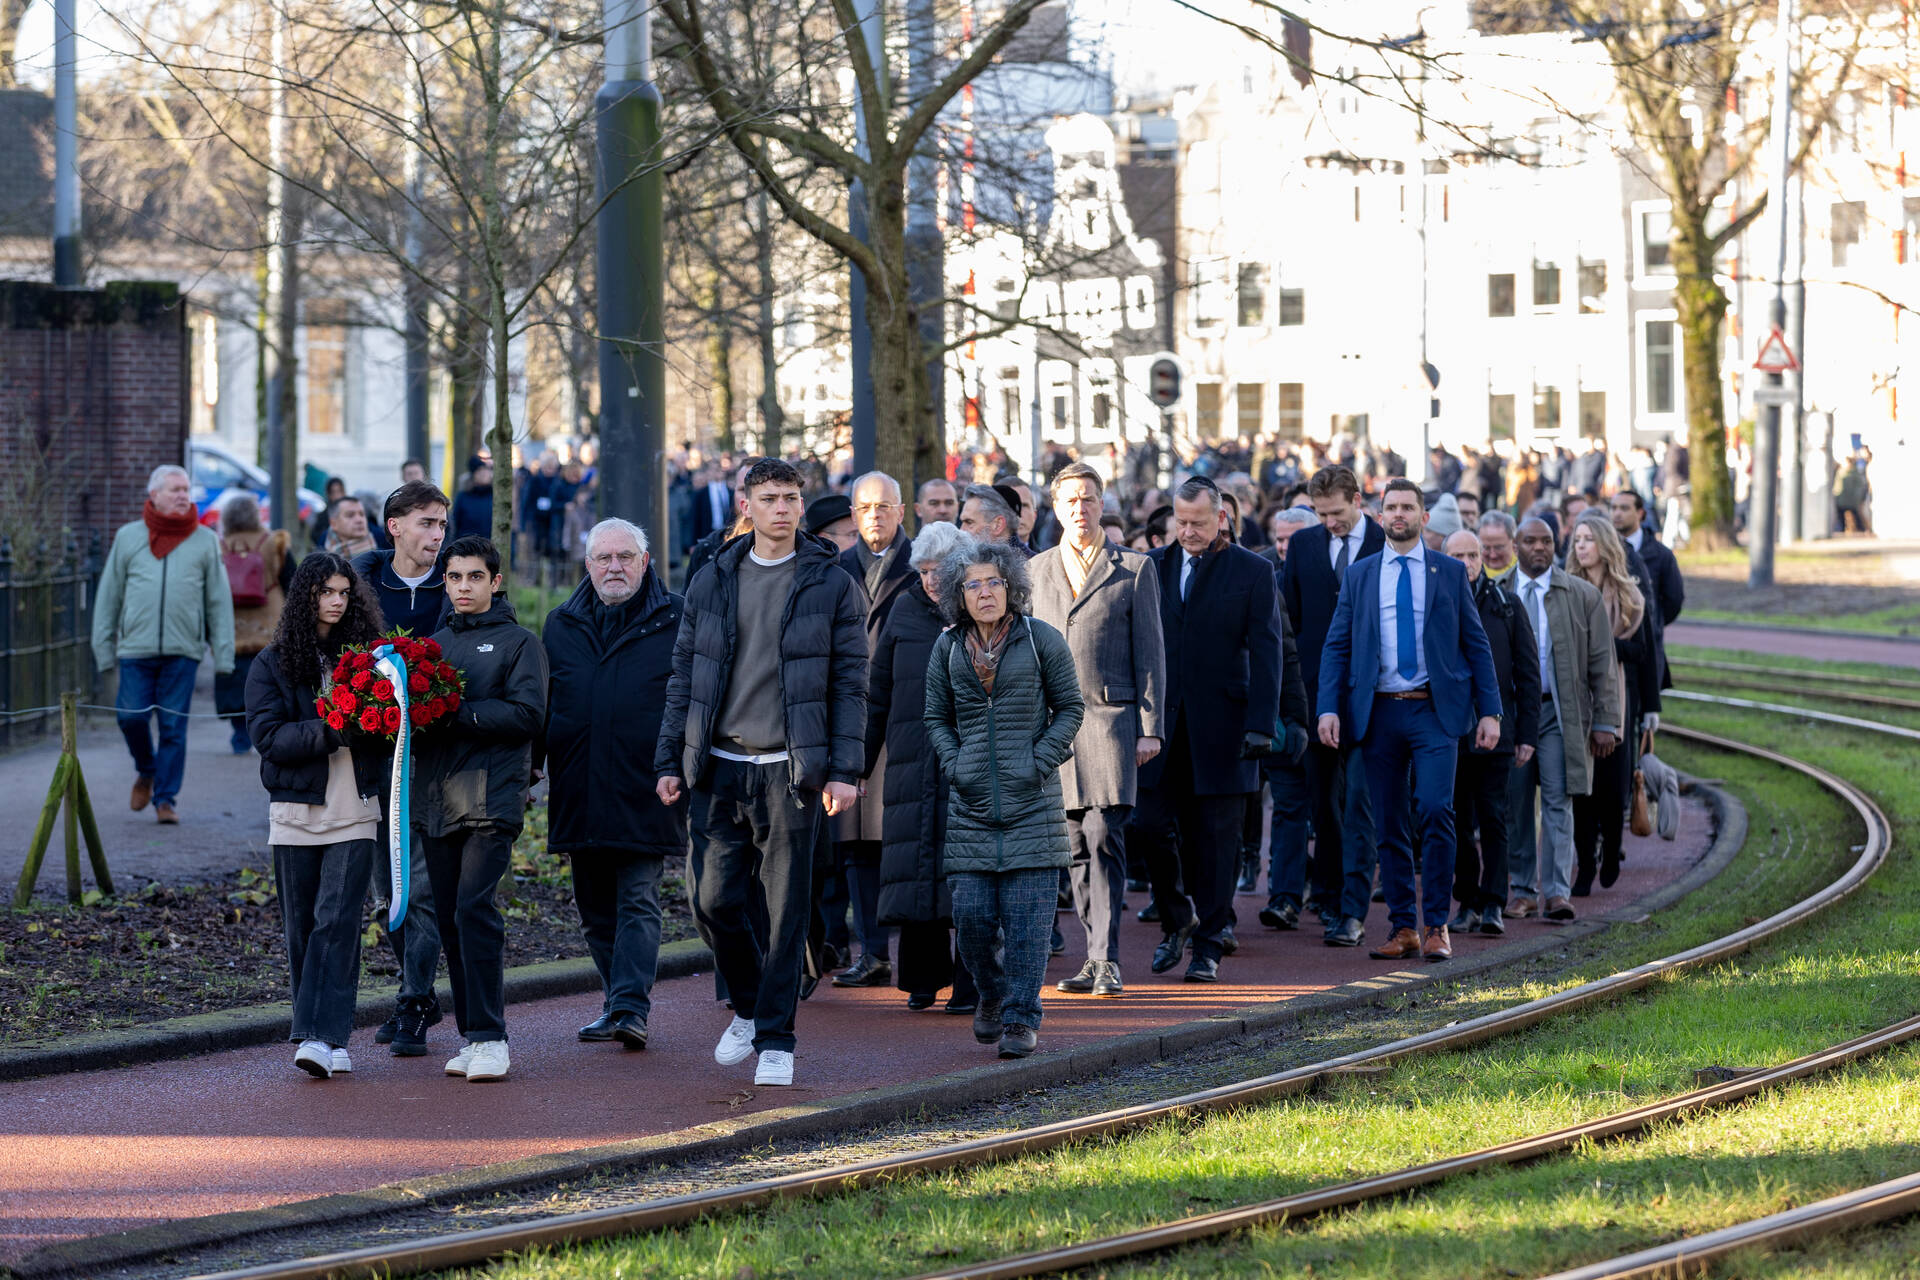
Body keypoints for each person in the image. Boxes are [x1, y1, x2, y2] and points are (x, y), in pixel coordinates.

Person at [654, 457, 868, 1089]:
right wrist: (670, 759)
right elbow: (685, 676)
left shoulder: (831, 583)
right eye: (770, 497)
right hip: (719, 767)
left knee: (785, 913)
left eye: (792, 497)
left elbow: (850, 685)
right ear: (745, 504)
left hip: (790, 772)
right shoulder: (713, 576)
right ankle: (749, 1006)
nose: (783, 508)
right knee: (711, 901)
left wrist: (844, 771)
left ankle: (778, 1038)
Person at [1315, 480, 1503, 962]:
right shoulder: (1360, 576)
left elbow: (1476, 644)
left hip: (1434, 711)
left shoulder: (1448, 572)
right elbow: (1337, 645)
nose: (1398, 514)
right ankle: (1403, 927)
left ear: (1424, 517)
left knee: (1437, 810)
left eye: (1407, 507)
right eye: (1391, 507)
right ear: (1379, 517)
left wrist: (1491, 711)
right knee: (1388, 822)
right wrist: (1328, 707)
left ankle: (1437, 924)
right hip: (1377, 712)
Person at [924, 541, 1084, 1057]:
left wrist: (1038, 762)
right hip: (971, 806)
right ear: (958, 595)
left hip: (1032, 806)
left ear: (1011, 587)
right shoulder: (947, 648)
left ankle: (1021, 1018)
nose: (985, 592)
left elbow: (1070, 708)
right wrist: (957, 764)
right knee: (970, 922)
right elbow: (936, 717)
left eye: (994, 581)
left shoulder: (1042, 641)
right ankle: (991, 995)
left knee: (1028, 928)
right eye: (973, 584)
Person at [540, 519, 687, 1050]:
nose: (614, 568)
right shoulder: (561, 624)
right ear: (588, 566)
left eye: (625, 557)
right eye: (603, 559)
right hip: (578, 784)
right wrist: (533, 764)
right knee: (594, 908)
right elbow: (546, 702)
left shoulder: (677, 618)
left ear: (646, 563)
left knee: (638, 898)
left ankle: (630, 1007)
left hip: (648, 783)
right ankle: (614, 1002)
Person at [245, 553, 388, 1078]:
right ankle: (328, 1032)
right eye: (325, 591)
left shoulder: (369, 658)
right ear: (305, 594)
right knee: (302, 927)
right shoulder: (273, 663)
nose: (335, 601)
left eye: (344, 592)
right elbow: (268, 737)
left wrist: (377, 723)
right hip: (295, 810)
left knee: (338, 920)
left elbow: (390, 728)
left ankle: (319, 1037)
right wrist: (333, 728)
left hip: (355, 807)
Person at [1029, 463, 1165, 999]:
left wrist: (1150, 727)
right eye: (1070, 501)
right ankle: (1092, 956)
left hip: (1112, 724)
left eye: (1088, 499)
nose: (1079, 509)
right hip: (1054, 729)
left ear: (1102, 502)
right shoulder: (1037, 570)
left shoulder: (1134, 568)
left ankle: (1107, 959)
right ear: (1055, 507)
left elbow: (1151, 653)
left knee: (1105, 835)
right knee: (1072, 846)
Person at [415, 536, 547, 1083]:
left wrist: (456, 713)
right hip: (435, 796)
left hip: (492, 795)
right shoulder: (431, 645)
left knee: (474, 909)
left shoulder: (520, 643)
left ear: (495, 582)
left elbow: (528, 714)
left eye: (474, 577)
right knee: (448, 918)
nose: (463, 586)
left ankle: (493, 1038)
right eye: (454, 577)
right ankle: (472, 1034)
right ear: (444, 582)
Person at [1144, 476, 1282, 982]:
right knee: (1148, 827)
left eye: (1197, 523)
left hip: (1225, 730)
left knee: (1217, 844)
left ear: (1220, 517)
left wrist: (1261, 726)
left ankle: (1207, 948)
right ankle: (1178, 919)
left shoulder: (1253, 570)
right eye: (1179, 522)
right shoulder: (1151, 568)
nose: (1187, 532)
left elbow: (1268, 650)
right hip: (1158, 729)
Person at [869, 521, 978, 1011]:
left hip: (969, 759)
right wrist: (857, 762)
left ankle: (972, 981)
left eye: (940, 570)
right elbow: (878, 692)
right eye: (924, 570)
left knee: (969, 871)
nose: (931, 580)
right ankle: (922, 977)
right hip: (912, 757)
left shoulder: (983, 611)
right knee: (917, 867)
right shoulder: (903, 610)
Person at [93, 464, 237, 826]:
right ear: (154, 495)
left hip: (183, 651)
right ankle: (147, 769)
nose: (182, 495)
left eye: (186, 489)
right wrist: (103, 647)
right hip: (135, 649)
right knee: (130, 718)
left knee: (173, 727)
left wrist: (224, 654)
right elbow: (109, 595)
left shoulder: (204, 540)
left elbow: (218, 601)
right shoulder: (128, 536)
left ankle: (166, 799)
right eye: (174, 489)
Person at [1281, 465, 1383, 940]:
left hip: (1373, 694)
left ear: (1357, 500)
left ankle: (1353, 899)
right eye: (1320, 513)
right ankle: (1326, 894)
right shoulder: (1303, 545)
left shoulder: (1386, 543)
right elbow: (1292, 623)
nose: (1328, 522)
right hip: (1315, 692)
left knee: (1360, 800)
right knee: (1322, 801)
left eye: (1336, 513)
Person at [1506, 517, 1622, 924]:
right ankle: (1522, 890)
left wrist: (1607, 720)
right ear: (1515, 544)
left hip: (1559, 711)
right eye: (1530, 541)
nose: (1539, 548)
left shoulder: (1581, 594)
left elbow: (1602, 663)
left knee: (1559, 798)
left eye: (1547, 541)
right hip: (1513, 712)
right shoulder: (1499, 591)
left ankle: (1556, 892)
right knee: (1516, 802)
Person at [831, 472, 915, 989]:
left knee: (898, 836)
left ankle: (915, 948)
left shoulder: (922, 569)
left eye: (884, 506)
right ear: (854, 514)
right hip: (848, 715)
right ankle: (873, 950)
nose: (875, 516)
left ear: (901, 511)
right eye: (865, 508)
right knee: (855, 838)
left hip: (903, 716)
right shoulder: (836, 570)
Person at [1443, 529, 1538, 937]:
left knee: (1494, 817)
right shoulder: (1435, 602)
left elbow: (1527, 675)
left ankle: (1494, 901)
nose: (1466, 563)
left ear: (1484, 559)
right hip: (1449, 731)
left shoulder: (1507, 606)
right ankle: (1466, 900)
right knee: (1457, 820)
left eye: (1473, 555)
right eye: (1458, 555)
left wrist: (1526, 735)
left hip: (1498, 731)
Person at [1566, 512, 1660, 894]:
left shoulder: (1630, 595)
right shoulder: (1566, 589)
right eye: (1577, 540)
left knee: (1611, 788)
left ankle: (1612, 848)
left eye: (1588, 539)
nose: (1581, 546)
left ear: (1605, 545)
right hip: (1575, 700)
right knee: (1581, 789)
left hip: (1620, 704)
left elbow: (1644, 651)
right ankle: (1585, 864)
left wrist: (1602, 649)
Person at [217, 493, 293, 754]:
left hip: (231, 619)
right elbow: (291, 580)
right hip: (269, 618)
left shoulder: (220, 544)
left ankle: (239, 736)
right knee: (267, 677)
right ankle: (266, 730)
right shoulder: (273, 542)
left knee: (234, 678)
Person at [352, 481, 452, 637]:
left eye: (442, 525)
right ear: (394, 527)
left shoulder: (458, 583)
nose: (438, 536)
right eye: (427, 523)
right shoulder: (363, 583)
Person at [1610, 487, 1684, 627]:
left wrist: (1654, 624)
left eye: (1624, 508)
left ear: (1640, 513)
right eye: (1613, 508)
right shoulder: (1602, 551)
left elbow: (1673, 600)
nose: (1617, 514)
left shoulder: (1661, 555)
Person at [452, 460, 494, 543]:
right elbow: (455, 522)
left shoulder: (496, 496)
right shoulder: (463, 496)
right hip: (467, 546)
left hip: (491, 547)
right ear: (473, 475)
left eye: (486, 470)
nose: (484, 473)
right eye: (480, 471)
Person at [324, 495, 378, 560]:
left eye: (362, 514)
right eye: (350, 515)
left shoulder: (384, 546)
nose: (359, 520)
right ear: (334, 524)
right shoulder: (324, 564)